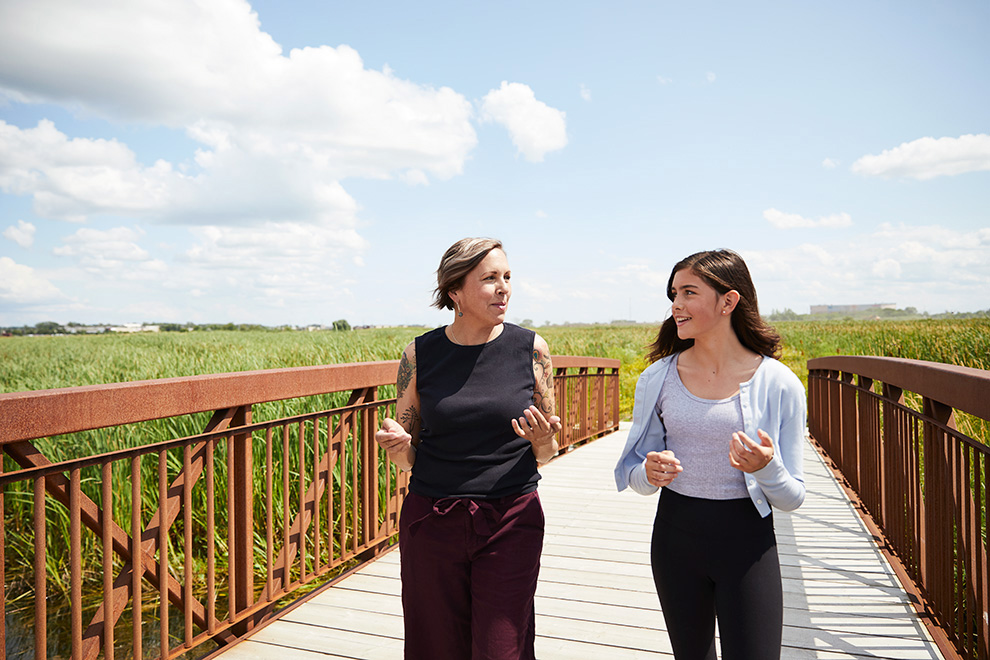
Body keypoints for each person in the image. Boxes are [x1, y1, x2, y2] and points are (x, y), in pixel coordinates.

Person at [614, 249, 806, 660]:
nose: (676, 305)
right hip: (674, 539)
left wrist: (767, 468)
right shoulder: (657, 378)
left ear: (728, 301)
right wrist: (650, 472)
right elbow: (633, 472)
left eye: (688, 292)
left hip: (749, 545)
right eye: (673, 294)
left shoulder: (780, 383)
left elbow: (793, 497)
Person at [375, 237, 562, 660]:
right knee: (435, 644)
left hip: (511, 517)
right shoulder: (419, 355)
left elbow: (547, 451)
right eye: (490, 278)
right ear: (455, 291)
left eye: (507, 277)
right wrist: (399, 447)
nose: (504, 288)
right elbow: (409, 455)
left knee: (503, 648)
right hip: (432, 518)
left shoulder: (532, 350)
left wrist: (542, 439)